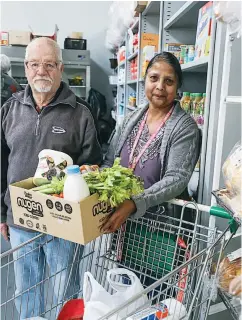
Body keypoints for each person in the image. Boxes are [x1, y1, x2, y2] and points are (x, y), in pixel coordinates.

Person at [1, 37, 102, 319]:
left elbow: (93, 163)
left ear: (60, 68)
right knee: (26, 292)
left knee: (65, 291)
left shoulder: (79, 113)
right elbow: (0, 164)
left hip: (64, 224)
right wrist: (1, 212)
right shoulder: (9, 110)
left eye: (48, 64)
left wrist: (85, 172)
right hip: (22, 219)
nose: (41, 71)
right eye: (34, 64)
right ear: (26, 67)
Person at [101, 51, 201, 233]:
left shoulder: (185, 128)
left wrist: (135, 203)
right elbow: (109, 161)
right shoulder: (131, 119)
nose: (160, 86)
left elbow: (176, 178)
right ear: (145, 80)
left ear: (177, 86)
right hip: (124, 221)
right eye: (154, 78)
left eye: (169, 81)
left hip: (162, 227)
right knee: (120, 261)